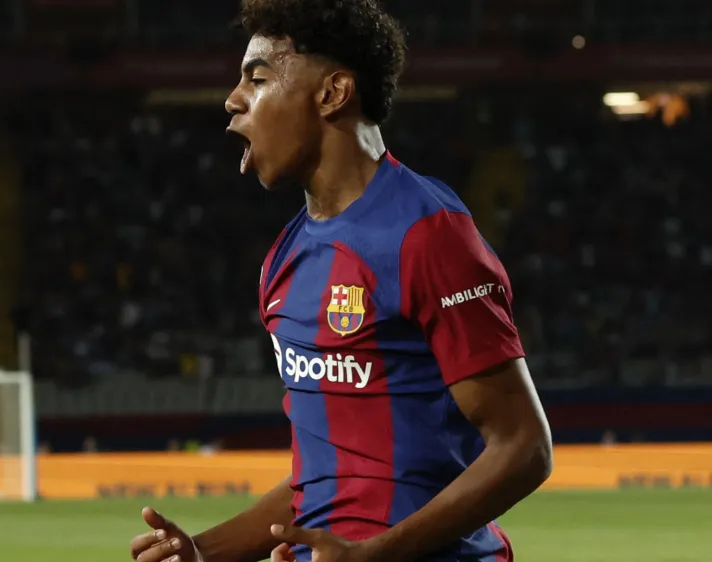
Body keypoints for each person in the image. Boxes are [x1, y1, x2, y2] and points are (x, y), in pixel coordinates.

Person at [129, 1, 553, 561]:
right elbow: (327, 477)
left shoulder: (427, 234)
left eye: (258, 78)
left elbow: (524, 447)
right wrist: (204, 553)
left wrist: (374, 553)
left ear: (333, 93)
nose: (233, 100)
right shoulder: (284, 259)